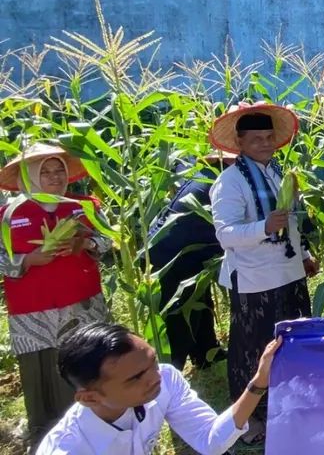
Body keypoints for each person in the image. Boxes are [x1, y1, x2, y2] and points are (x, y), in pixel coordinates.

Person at [208, 101, 318, 443]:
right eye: (256, 139)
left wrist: (304, 254)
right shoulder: (230, 182)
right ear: (240, 142)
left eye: (270, 137)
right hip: (255, 279)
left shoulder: (279, 174)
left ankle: (286, 407)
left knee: (290, 342)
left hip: (289, 273)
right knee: (253, 349)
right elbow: (225, 234)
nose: (266, 144)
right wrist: (264, 227)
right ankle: (248, 420)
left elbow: (292, 220)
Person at [0, 143, 112, 447]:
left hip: (82, 302)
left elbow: (108, 240)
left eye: (58, 170)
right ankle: (45, 427)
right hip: (32, 307)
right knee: (41, 363)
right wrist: (28, 260)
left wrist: (86, 243)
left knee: (84, 357)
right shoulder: (7, 215)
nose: (54, 177)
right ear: (28, 177)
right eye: (45, 172)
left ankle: (93, 421)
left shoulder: (85, 206)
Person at [35, 322, 279, 455]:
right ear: (90, 398)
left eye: (152, 361)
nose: (154, 377)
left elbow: (210, 439)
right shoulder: (69, 449)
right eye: (135, 378)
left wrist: (259, 381)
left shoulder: (165, 379)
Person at [146, 152, 235, 371]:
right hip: (173, 253)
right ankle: (170, 372)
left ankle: (205, 353)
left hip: (189, 250)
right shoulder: (224, 180)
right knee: (178, 315)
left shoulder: (204, 170)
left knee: (199, 301)